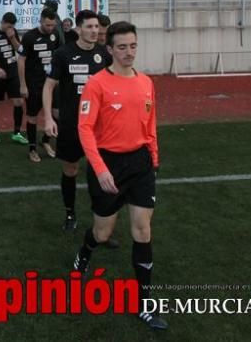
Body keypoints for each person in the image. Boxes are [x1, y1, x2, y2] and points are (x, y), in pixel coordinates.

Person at [72, 21, 166, 331]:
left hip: (140, 165)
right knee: (102, 233)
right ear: (109, 49)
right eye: (122, 47)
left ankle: (144, 304)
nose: (129, 52)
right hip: (108, 163)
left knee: (142, 231)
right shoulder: (97, 84)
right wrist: (99, 169)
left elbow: (149, 123)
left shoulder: (146, 82)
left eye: (133, 46)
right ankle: (84, 253)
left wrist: (153, 157)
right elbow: (84, 128)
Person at [43, 10, 118, 236]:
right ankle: (70, 213)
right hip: (71, 123)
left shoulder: (104, 55)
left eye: (97, 27)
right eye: (90, 27)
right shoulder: (63, 54)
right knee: (71, 169)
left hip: (100, 125)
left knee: (102, 172)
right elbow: (48, 87)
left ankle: (102, 225)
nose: (95, 31)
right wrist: (48, 118)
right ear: (78, 29)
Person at [17, 8, 61, 163]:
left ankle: (46, 140)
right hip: (34, 83)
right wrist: (23, 85)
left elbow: (58, 55)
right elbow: (21, 60)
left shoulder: (55, 35)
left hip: (52, 82)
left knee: (58, 114)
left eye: (52, 25)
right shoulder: (29, 37)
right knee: (32, 117)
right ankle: (32, 149)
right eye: (48, 25)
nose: (50, 28)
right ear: (41, 21)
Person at [0, 12, 26, 144]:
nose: (10, 28)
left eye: (12, 26)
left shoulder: (13, 33)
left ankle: (17, 132)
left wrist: (13, 37)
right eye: (8, 26)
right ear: (2, 22)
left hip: (12, 72)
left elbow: (20, 50)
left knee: (19, 101)